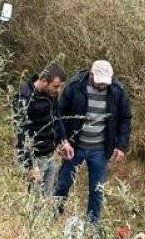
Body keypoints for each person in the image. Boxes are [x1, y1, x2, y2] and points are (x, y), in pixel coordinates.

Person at [53, 60, 132, 224]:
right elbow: (58, 113)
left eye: (105, 82)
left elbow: (125, 119)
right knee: (63, 183)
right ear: (91, 74)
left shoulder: (117, 91)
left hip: (100, 149)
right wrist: (63, 140)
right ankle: (54, 212)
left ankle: (92, 224)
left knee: (97, 189)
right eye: (99, 81)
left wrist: (121, 146)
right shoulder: (75, 86)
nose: (102, 85)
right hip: (74, 146)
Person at [13, 63, 66, 195]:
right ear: (43, 81)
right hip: (35, 158)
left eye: (60, 86)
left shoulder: (52, 93)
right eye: (55, 86)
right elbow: (21, 132)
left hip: (50, 155)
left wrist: (63, 141)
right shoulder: (25, 96)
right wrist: (30, 165)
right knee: (34, 201)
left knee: (47, 198)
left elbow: (56, 117)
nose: (58, 90)